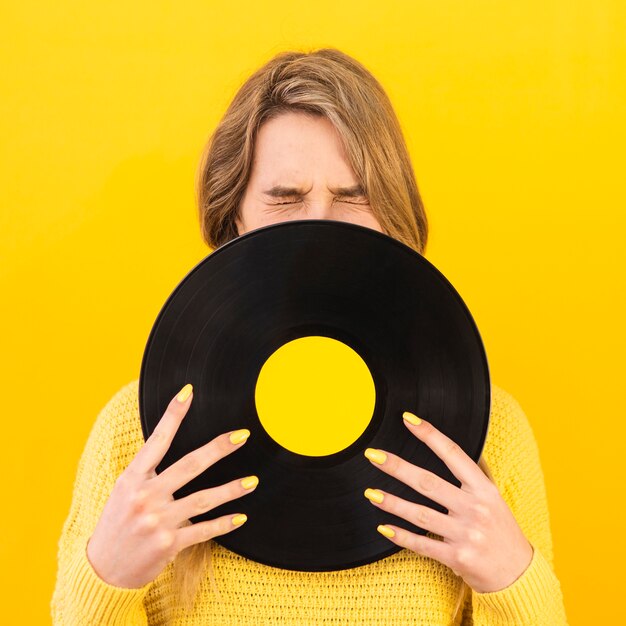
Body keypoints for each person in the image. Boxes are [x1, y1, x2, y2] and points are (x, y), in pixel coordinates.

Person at [51, 48, 569, 625]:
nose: (320, 224)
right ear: (234, 221)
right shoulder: (139, 433)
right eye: (284, 199)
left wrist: (510, 577)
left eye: (353, 198)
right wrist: (108, 576)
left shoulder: (488, 432)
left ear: (392, 217)